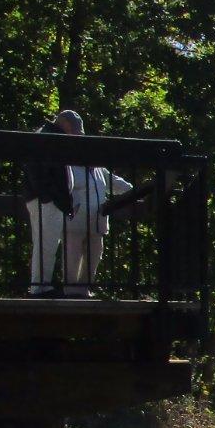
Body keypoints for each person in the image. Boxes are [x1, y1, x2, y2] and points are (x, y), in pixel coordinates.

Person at [52, 109, 134, 298]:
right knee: (72, 257)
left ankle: (84, 290)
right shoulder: (67, 164)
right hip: (75, 220)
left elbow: (117, 184)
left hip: (97, 222)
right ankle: (71, 292)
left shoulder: (98, 169)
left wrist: (136, 192)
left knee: (94, 256)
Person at [23, 120, 74, 295]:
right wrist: (48, 197)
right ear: (66, 125)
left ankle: (41, 284)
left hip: (44, 199)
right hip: (47, 200)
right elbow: (37, 168)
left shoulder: (44, 134)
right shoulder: (49, 137)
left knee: (44, 244)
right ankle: (40, 286)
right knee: (47, 244)